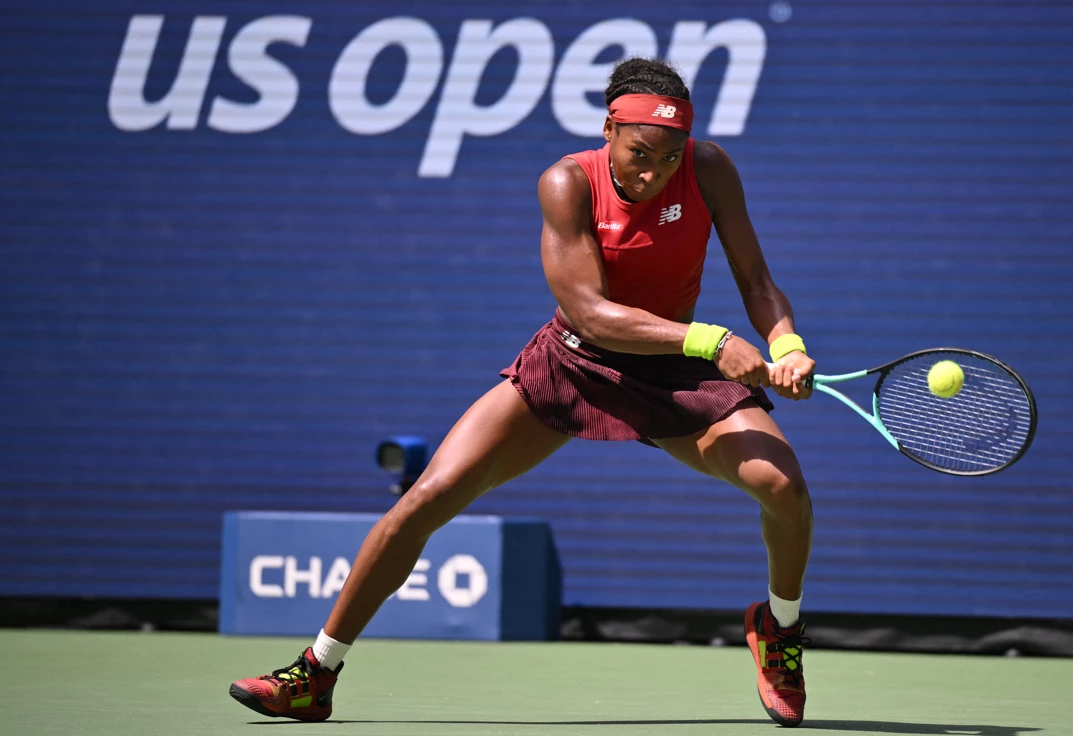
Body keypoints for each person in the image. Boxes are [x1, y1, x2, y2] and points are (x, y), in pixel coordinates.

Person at [229, 57, 817, 729]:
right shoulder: (567, 183)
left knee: (784, 489)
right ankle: (315, 674)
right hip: (573, 362)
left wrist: (786, 344)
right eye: (640, 154)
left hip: (672, 370)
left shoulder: (709, 169)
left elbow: (756, 276)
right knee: (427, 499)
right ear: (609, 131)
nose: (653, 172)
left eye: (669, 155)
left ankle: (780, 631)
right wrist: (713, 342)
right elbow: (592, 314)